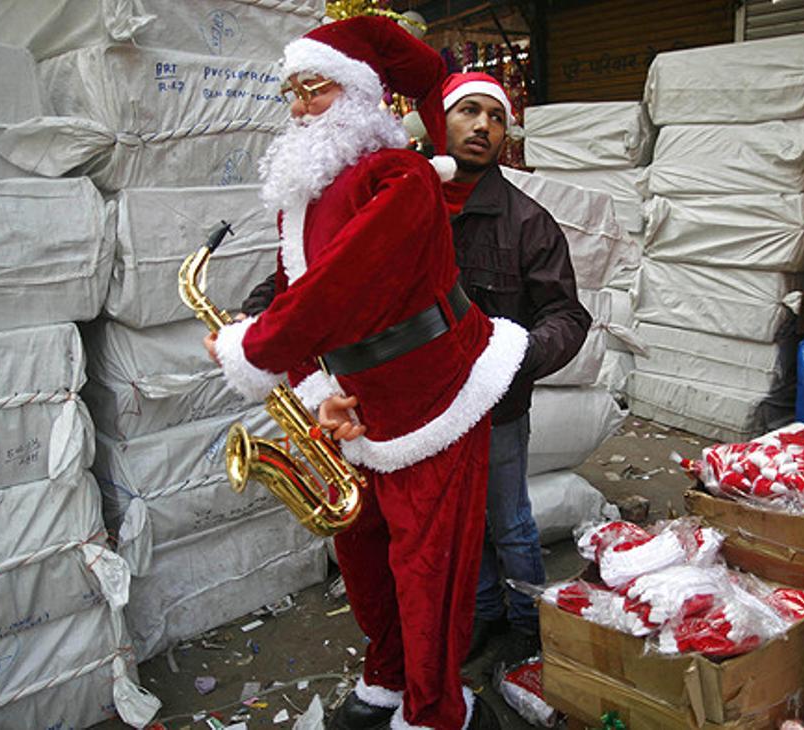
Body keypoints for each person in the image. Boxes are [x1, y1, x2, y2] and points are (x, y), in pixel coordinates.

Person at [205, 17, 526, 730]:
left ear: (357, 93)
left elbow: (335, 286)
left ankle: (436, 708)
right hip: (359, 401)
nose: (296, 109)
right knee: (362, 552)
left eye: (311, 90)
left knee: (428, 567)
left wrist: (253, 347)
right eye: (290, 93)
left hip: (437, 395)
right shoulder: (306, 196)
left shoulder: (401, 176)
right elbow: (297, 291)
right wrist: (315, 389)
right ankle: (385, 680)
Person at [440, 72, 591, 666]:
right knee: (463, 525)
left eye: (495, 117)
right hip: (429, 412)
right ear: (439, 120)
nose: (482, 126)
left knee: (509, 522)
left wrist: (516, 357)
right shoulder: (408, 204)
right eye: (468, 111)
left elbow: (567, 314)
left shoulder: (528, 222)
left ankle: (529, 622)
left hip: (498, 406)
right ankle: (483, 614)